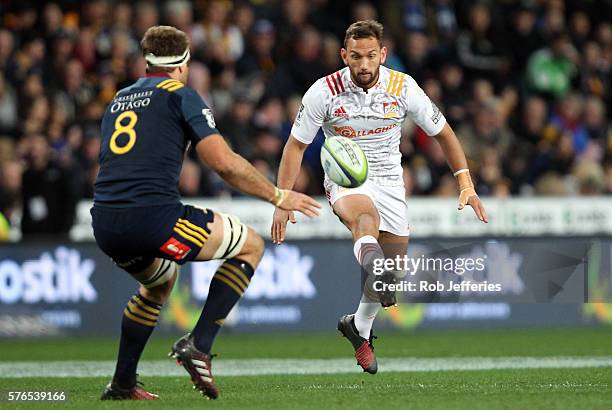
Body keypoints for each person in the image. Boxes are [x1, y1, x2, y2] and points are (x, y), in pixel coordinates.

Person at [92, 25, 321, 401]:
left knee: (159, 283)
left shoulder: (118, 99)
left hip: (105, 222)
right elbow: (223, 163)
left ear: (146, 62)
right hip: (153, 217)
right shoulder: (181, 95)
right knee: (250, 245)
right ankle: (199, 345)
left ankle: (122, 383)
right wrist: (278, 195)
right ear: (183, 64)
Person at [271, 20, 487, 375]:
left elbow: (444, 133)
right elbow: (295, 147)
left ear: (382, 54)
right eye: (356, 57)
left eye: (371, 56)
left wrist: (466, 183)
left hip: (389, 179)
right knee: (365, 222)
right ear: (344, 55)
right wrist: (282, 199)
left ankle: (359, 326)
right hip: (346, 177)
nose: (364, 64)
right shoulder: (323, 92)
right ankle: (374, 269)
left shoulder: (403, 87)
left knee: (394, 270)